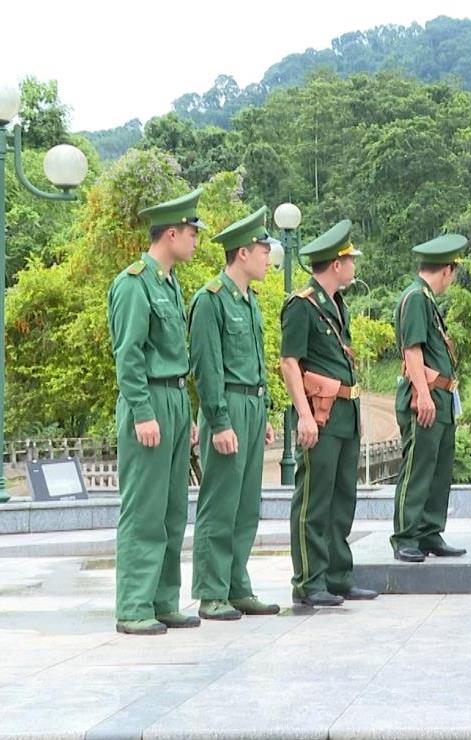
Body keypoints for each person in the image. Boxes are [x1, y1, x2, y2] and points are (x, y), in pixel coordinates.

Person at [108, 188, 206, 635]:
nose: (196, 241)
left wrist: (182, 417)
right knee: (144, 509)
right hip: (147, 399)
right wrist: (144, 412)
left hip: (174, 398)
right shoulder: (133, 283)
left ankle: (164, 600)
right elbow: (128, 355)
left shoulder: (168, 282)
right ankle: (133, 606)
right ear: (171, 233)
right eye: (192, 232)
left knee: (171, 509)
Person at [279, 219, 378, 606]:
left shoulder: (337, 305)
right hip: (320, 416)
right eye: (350, 259)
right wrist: (303, 415)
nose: (354, 265)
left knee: (342, 498)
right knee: (314, 499)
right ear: (336, 265)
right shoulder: (302, 306)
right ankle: (309, 581)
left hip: (344, 415)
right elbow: (290, 363)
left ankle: (338, 576)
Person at [189, 206, 279, 621]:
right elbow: (207, 368)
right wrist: (220, 421)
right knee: (220, 502)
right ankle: (211, 591)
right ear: (242, 253)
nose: (267, 256)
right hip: (226, 405)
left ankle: (236, 584)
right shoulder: (210, 300)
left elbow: (256, 359)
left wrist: (266, 413)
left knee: (246, 503)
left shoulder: (250, 302)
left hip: (252, 404)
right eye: (262, 249)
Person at [391, 234, 469, 563]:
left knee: (438, 469)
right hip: (426, 397)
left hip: (442, 398)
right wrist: (423, 395)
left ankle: (429, 532)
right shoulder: (415, 298)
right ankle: (406, 536)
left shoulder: (426, 300)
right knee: (418, 467)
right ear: (447, 270)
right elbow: (412, 350)